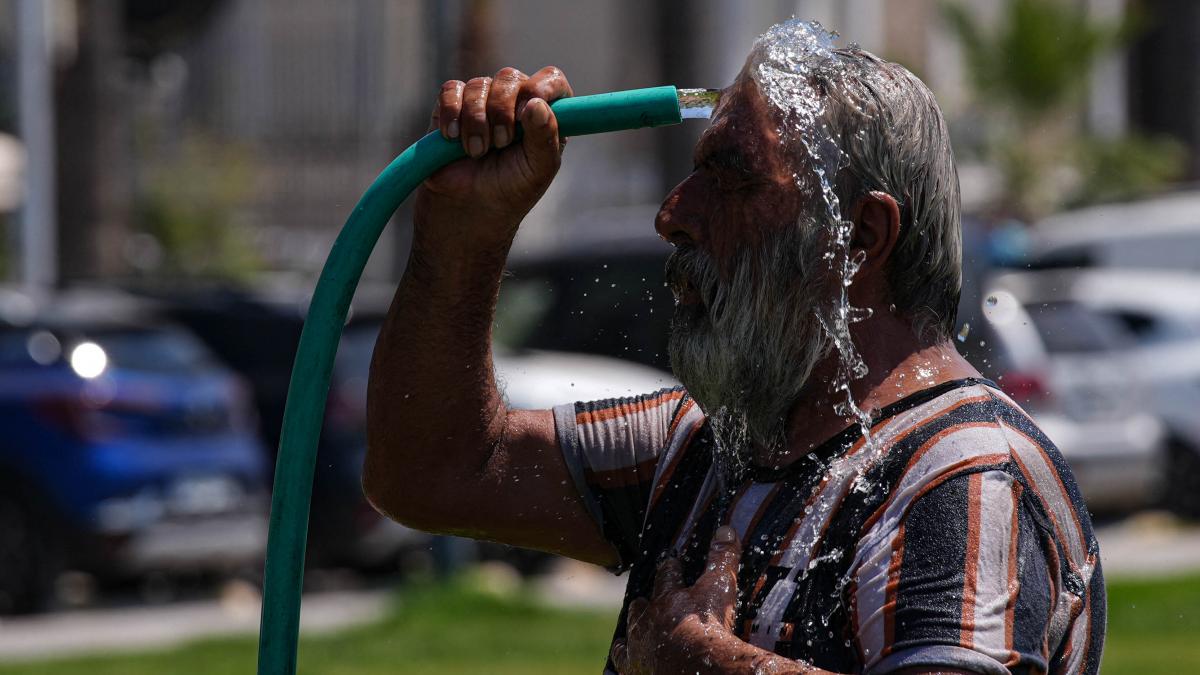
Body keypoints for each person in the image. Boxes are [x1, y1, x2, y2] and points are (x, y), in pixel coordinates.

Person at [363, 19, 1104, 675]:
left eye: (729, 176)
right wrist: (466, 232)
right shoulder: (704, 448)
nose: (672, 215)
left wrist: (708, 664)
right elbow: (430, 468)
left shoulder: (967, 477)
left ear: (861, 238)